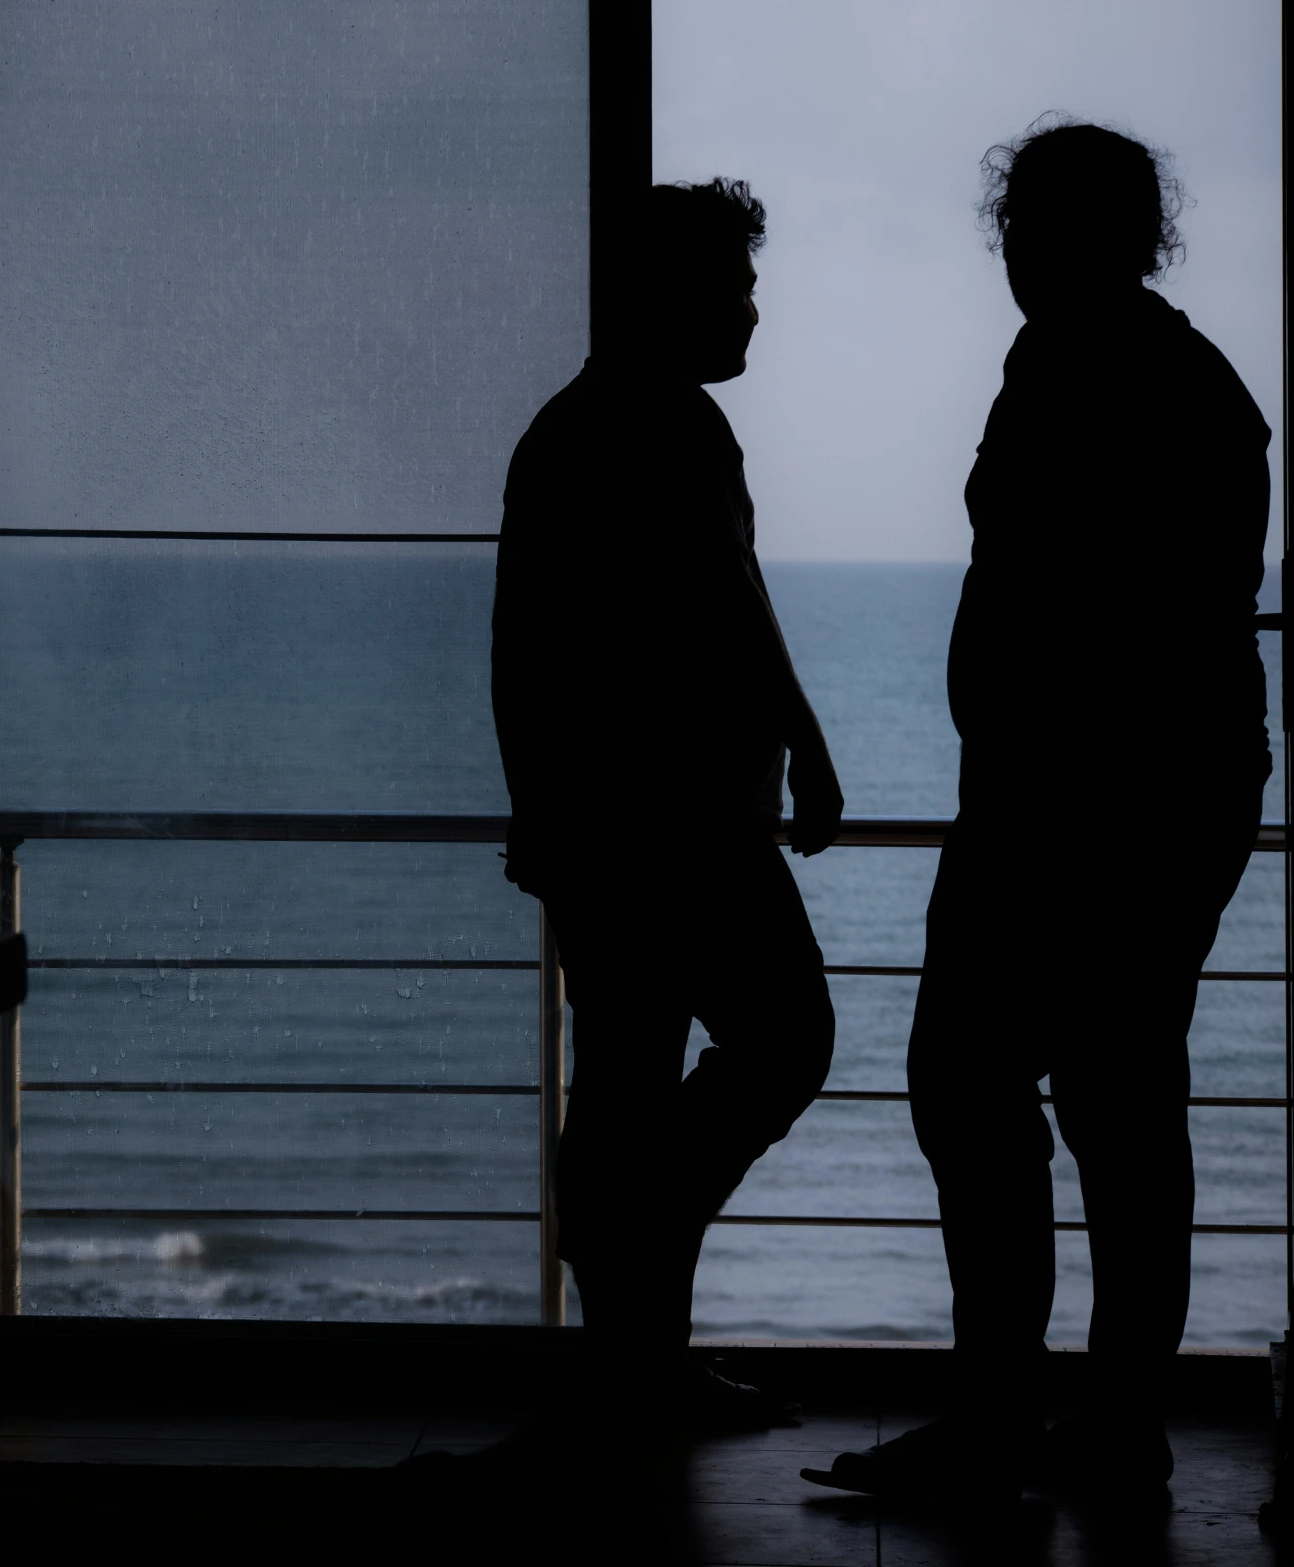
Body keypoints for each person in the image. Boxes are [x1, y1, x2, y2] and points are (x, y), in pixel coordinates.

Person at [805, 118, 1273, 1501]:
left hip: (1063, 795)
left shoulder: (1068, 364)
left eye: (1017, 228)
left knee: (967, 1082)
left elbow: (1043, 590)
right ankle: (1114, 1426)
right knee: (1124, 1101)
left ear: (1038, 235)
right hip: (1178, 787)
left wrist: (998, 745)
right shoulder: (1205, 380)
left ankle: (1003, 1420)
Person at [492, 178, 843, 1426]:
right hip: (670, 820)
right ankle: (640, 1328)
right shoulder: (638, 428)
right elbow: (561, 645)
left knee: (634, 1074)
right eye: (734, 285)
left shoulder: (606, 425)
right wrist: (794, 743)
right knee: (768, 1043)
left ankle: (637, 1347)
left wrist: (798, 737)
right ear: (669, 294)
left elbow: (712, 601)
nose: (752, 310)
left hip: (648, 817)